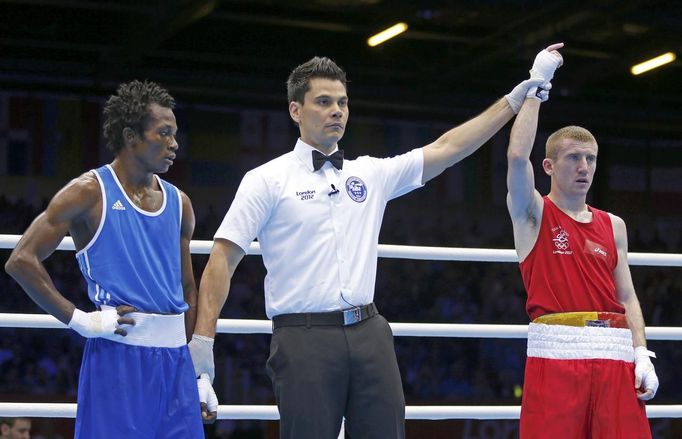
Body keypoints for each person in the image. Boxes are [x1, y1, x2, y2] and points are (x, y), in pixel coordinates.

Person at [188, 45, 563, 439]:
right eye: (323, 102)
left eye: (342, 102)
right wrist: (202, 342)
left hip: (370, 332)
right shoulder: (266, 179)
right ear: (295, 110)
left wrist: (513, 101)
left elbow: (447, 149)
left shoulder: (370, 174)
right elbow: (221, 260)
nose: (337, 110)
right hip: (303, 337)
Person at [5, 80, 216, 438]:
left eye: (175, 133)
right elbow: (21, 260)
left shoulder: (180, 203)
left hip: (175, 362)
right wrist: (80, 320)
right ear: (131, 135)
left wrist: (199, 372)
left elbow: (187, 289)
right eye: (163, 133)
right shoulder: (89, 192)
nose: (174, 143)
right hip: (117, 356)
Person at [505, 65, 659, 436]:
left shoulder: (614, 225)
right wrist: (536, 88)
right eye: (574, 157)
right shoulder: (533, 214)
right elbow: (514, 157)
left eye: (590, 158)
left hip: (614, 354)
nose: (584, 166)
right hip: (557, 354)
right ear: (549, 166)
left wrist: (641, 352)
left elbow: (628, 297)